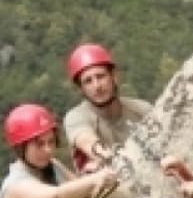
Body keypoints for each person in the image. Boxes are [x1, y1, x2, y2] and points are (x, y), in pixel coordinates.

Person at [61, 43, 152, 172]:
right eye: (88, 81)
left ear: (114, 76)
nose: (97, 86)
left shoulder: (142, 110)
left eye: (100, 76)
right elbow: (84, 138)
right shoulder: (77, 117)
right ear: (81, 88)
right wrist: (102, 154)